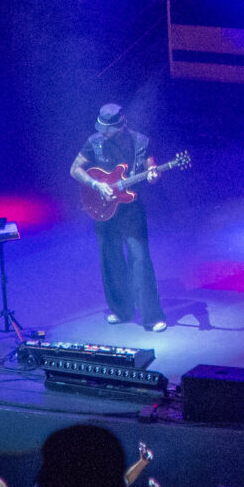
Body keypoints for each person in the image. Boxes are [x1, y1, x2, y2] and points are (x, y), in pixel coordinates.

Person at [68, 103, 168, 332]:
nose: (104, 133)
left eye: (108, 129)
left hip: (131, 209)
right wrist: (96, 184)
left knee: (140, 259)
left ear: (120, 127)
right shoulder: (94, 141)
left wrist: (153, 174)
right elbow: (75, 169)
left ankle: (151, 317)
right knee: (110, 260)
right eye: (102, 128)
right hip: (103, 208)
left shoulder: (140, 141)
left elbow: (150, 166)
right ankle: (122, 310)